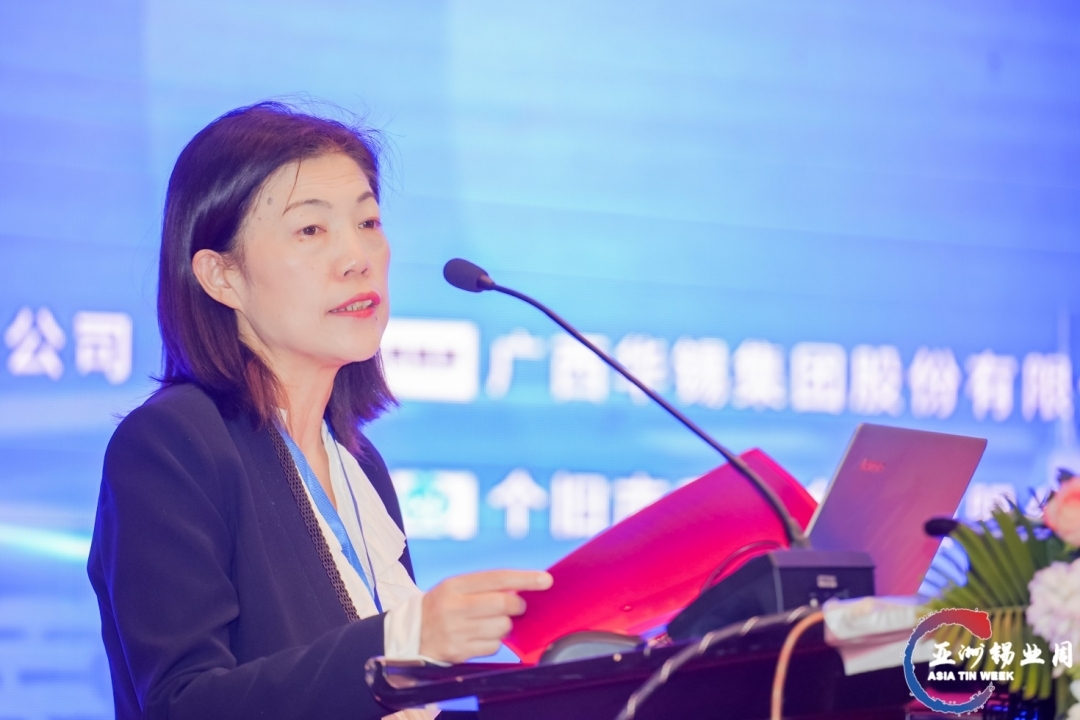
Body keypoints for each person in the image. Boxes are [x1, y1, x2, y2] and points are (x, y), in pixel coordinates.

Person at [87, 101, 553, 720]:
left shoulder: (360, 464)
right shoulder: (172, 444)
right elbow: (186, 704)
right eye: (311, 230)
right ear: (222, 276)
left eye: (368, 222)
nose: (358, 257)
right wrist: (406, 638)